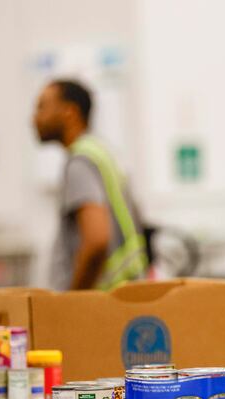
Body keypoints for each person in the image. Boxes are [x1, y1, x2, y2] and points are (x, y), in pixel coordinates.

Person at [34, 79, 147, 290]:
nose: (34, 118)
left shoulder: (80, 162)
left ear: (70, 112)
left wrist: (75, 299)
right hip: (122, 296)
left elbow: (97, 239)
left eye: (42, 107)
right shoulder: (100, 152)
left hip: (100, 302)